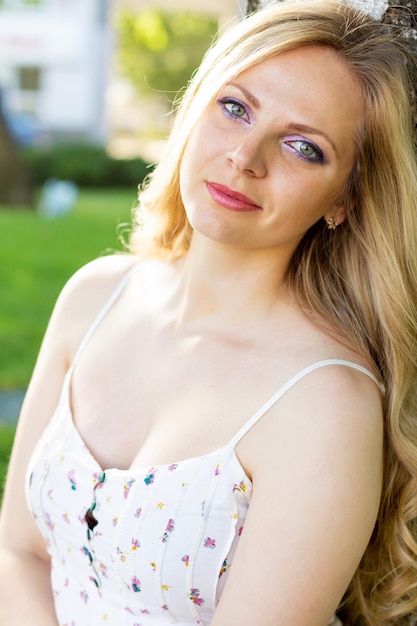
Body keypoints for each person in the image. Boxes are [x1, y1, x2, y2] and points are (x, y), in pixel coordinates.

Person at [1, 1, 417, 624]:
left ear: (345, 199)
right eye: (235, 108)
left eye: (303, 146)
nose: (246, 156)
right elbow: (20, 553)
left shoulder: (323, 403)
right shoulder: (95, 297)